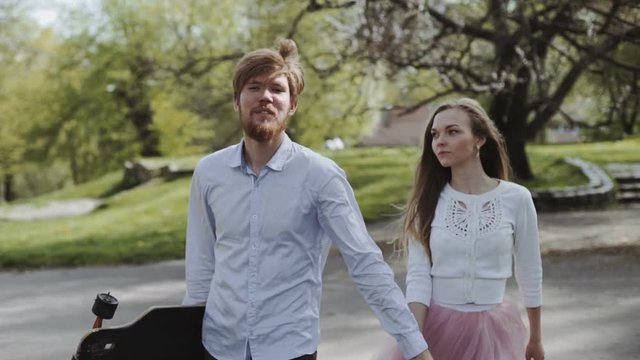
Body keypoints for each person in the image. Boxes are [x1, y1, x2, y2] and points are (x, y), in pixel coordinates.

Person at [182, 38, 432, 360]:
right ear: (236, 100)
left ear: (293, 104)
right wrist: (185, 342)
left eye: (277, 89)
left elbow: (366, 264)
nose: (266, 97)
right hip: (217, 348)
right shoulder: (209, 172)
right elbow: (202, 271)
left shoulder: (320, 176)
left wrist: (415, 349)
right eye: (254, 87)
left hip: (288, 350)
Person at [380, 98, 545, 360]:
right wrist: (415, 344)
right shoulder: (427, 202)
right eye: (435, 135)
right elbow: (419, 277)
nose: (440, 141)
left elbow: (530, 270)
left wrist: (535, 337)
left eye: (452, 131)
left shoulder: (517, 198)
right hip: (437, 330)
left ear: (479, 139)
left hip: (496, 331)